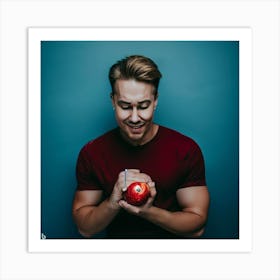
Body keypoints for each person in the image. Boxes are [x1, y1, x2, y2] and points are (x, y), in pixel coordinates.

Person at [72, 55, 210, 239]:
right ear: (113, 101)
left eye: (143, 106)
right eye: (125, 106)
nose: (135, 118)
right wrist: (114, 201)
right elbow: (84, 228)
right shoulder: (92, 153)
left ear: (155, 101)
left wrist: (147, 211)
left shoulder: (185, 150)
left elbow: (197, 224)